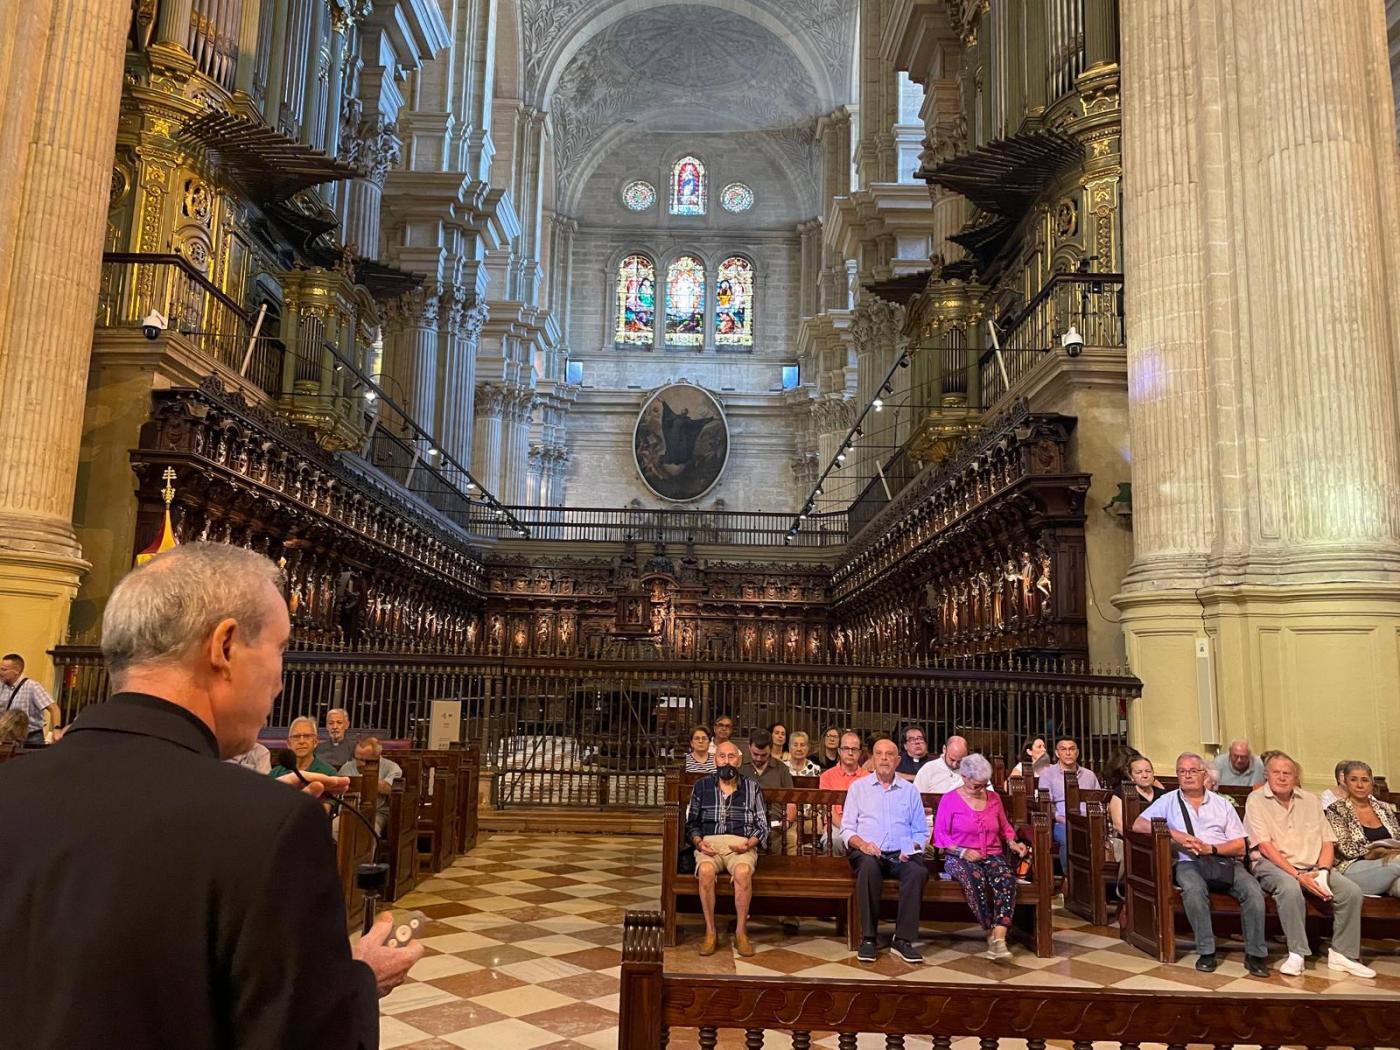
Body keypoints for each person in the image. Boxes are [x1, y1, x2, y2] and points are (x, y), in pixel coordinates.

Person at [0, 542, 419, 1048]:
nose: (280, 681)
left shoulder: (12, 788)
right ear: (224, 647)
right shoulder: (272, 827)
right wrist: (357, 981)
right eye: (280, 649)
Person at [1132, 753, 1270, 976]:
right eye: (1182, 771)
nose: (1187, 776)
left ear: (1203, 774)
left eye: (1193, 771)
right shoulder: (1168, 801)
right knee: (1193, 889)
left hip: (1223, 861)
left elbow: (1239, 847)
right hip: (1188, 861)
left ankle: (1255, 954)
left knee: (1253, 891)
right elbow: (1138, 825)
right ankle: (1206, 951)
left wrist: (1211, 849)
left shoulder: (1222, 804)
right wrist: (1174, 833)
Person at [1245, 752, 1373, 978]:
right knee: (1289, 888)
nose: (1282, 777)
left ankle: (1342, 954)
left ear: (1295, 777)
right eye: (1277, 772)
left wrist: (1323, 872)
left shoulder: (1310, 800)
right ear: (1267, 774)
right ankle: (1297, 953)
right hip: (1273, 865)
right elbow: (1265, 847)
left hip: (1313, 867)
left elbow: (1327, 841)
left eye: (1287, 773)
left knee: (1351, 892)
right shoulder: (1256, 800)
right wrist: (1297, 875)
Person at [840, 738, 930, 964]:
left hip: (902, 854)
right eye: (879, 754)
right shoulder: (858, 788)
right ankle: (869, 938)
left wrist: (910, 849)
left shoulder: (910, 791)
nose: (884, 759)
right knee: (868, 868)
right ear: (872, 759)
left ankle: (903, 940)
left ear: (897, 760)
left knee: (917, 872)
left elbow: (921, 831)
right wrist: (863, 845)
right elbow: (847, 829)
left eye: (889, 754)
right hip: (868, 852)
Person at [932, 753, 1028, 959]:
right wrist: (962, 851)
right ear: (964, 777)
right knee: (975, 879)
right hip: (958, 856)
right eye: (977, 785)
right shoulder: (950, 800)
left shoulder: (994, 798)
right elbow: (940, 838)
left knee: (1006, 879)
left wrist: (1013, 843)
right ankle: (989, 931)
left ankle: (999, 938)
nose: (982, 789)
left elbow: (1004, 827)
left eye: (984, 785)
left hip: (991, 853)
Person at [684, 740, 768, 956]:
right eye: (722, 756)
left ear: (739, 761)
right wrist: (699, 842)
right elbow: (692, 823)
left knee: (743, 872)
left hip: (741, 845)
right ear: (715, 760)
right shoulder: (702, 786)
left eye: (731, 757)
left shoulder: (752, 787)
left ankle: (741, 932)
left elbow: (762, 826)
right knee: (705, 871)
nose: (726, 761)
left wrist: (750, 843)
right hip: (709, 845)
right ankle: (710, 932)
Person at [1325, 760, 1400, 899]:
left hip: (1390, 867)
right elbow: (1346, 849)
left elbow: (1397, 839)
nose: (1360, 785)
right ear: (1345, 782)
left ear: (1371, 783)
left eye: (1365, 780)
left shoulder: (1384, 808)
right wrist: (1377, 852)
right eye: (1353, 780)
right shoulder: (1336, 810)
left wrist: (1390, 851)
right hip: (1352, 869)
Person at [1037, 736, 1101, 872]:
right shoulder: (1048, 774)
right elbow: (1046, 803)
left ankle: (1095, 878)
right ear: (1057, 753)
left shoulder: (1089, 775)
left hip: (1088, 821)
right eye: (1063, 749)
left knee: (1102, 840)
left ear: (1077, 752)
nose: (1068, 753)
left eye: (1071, 749)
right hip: (1062, 822)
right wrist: (1060, 818)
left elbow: (1099, 801)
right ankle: (1070, 877)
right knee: (1069, 839)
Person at [740, 729, 796, 853]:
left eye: (763, 755)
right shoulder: (740, 767)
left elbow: (791, 801)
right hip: (746, 823)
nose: (758, 758)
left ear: (770, 749)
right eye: (755, 754)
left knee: (791, 839)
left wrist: (787, 821)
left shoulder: (782, 769)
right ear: (749, 747)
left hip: (775, 824)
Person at [339, 736, 403, 836]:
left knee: (367, 833)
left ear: (377, 757)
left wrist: (366, 778)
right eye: (357, 758)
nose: (359, 764)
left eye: (365, 760)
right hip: (348, 811)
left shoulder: (391, 767)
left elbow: (389, 789)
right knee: (337, 829)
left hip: (376, 813)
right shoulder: (347, 767)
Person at [819, 730, 870, 853]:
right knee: (833, 840)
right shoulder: (827, 776)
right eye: (846, 748)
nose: (850, 753)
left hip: (862, 826)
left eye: (854, 749)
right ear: (839, 751)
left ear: (860, 752)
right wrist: (848, 830)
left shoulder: (868, 777)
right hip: (836, 825)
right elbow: (829, 811)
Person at [0, 653, 62, 747]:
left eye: (4, 669)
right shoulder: (1, 686)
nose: (0, 672)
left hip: (31, 737)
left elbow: (54, 708)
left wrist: (56, 729)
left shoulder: (32, 686)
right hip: (7, 737)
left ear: (16, 671)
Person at [1108, 754, 1166, 838]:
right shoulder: (1121, 792)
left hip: (1161, 840)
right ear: (1131, 776)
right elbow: (1118, 825)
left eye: (1148, 771)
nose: (1145, 775)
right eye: (1139, 772)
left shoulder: (1163, 795)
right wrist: (1139, 842)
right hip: (1130, 841)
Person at [271, 716, 338, 777]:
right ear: (289, 743)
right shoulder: (275, 774)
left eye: (307, 736)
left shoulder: (329, 773)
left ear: (315, 742)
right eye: (296, 736)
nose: (301, 741)